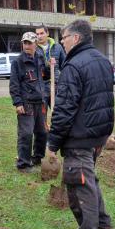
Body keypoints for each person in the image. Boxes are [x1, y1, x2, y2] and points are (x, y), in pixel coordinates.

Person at [47, 20, 114, 229]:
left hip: (80, 136)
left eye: (63, 38)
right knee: (90, 177)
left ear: (76, 38)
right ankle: (103, 221)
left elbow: (64, 109)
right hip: (98, 135)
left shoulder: (74, 66)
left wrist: (53, 143)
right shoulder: (102, 60)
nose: (62, 42)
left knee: (79, 183)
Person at [9, 32, 50, 173]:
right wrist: (18, 103)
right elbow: (14, 85)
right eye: (24, 43)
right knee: (26, 133)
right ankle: (23, 164)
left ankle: (37, 158)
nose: (26, 45)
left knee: (43, 132)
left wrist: (51, 67)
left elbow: (45, 76)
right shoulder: (18, 62)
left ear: (35, 44)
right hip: (26, 103)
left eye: (29, 43)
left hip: (41, 102)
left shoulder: (40, 57)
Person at [35, 24, 66, 158]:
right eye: (37, 34)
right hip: (41, 87)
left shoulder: (57, 47)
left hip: (56, 85)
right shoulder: (34, 48)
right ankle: (39, 152)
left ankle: (56, 147)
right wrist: (46, 65)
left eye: (42, 33)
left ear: (47, 33)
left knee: (58, 116)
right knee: (41, 119)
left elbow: (65, 64)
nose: (39, 36)